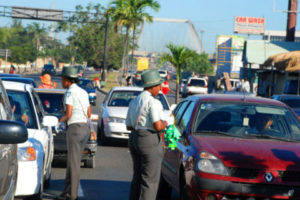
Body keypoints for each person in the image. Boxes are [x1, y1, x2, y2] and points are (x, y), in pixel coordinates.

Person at [126, 69, 168, 200]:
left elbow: (128, 125)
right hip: (148, 139)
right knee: (150, 181)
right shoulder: (153, 102)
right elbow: (157, 126)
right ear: (152, 86)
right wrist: (166, 122)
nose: (160, 88)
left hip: (134, 138)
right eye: (159, 85)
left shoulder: (134, 101)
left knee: (137, 177)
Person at [56, 66, 91, 200]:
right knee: (73, 161)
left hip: (75, 129)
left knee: (74, 163)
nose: (61, 82)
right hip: (85, 128)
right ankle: (67, 190)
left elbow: (69, 114)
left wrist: (58, 120)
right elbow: (88, 113)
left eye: (62, 79)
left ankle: (72, 195)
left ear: (68, 80)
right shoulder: (83, 92)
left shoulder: (69, 92)